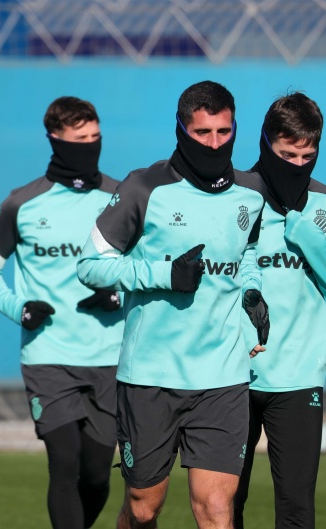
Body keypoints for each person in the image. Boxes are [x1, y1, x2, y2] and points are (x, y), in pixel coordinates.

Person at [77, 80, 270, 529]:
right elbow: (90, 265)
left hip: (223, 376)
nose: (215, 143)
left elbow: (248, 254)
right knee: (144, 507)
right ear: (181, 130)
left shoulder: (252, 192)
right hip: (151, 377)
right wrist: (164, 275)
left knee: (216, 507)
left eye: (224, 132)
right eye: (203, 133)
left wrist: (252, 290)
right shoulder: (145, 187)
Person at [0, 96, 123, 529]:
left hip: (110, 356)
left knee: (97, 476)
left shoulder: (120, 198)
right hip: (48, 357)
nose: (90, 146)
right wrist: (18, 309)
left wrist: (118, 295)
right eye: (80, 139)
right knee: (65, 464)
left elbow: (145, 267)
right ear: (54, 139)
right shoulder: (22, 203)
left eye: (95, 137)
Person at [233, 92, 326, 529]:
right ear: (265, 142)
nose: (298, 165)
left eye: (308, 156)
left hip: (299, 377)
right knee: (222, 505)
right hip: (231, 375)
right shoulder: (233, 195)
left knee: (296, 508)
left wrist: (308, 239)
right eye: (287, 155)